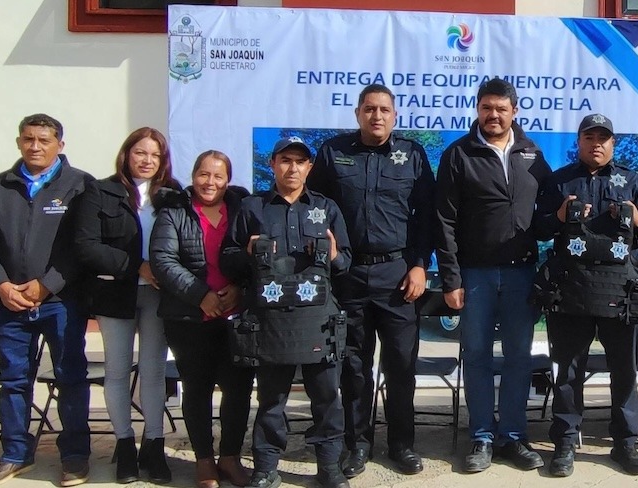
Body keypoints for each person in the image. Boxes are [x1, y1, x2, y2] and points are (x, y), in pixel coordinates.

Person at [307, 83, 435, 476]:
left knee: (401, 366)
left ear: (394, 116)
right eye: (369, 109)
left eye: (383, 110)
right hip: (348, 274)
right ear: (358, 114)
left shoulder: (412, 155)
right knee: (354, 367)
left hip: (398, 275)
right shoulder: (333, 152)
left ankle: (402, 445)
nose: (376, 116)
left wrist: (419, 265)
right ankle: (357, 445)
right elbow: (315, 208)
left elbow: (428, 216)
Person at [0, 114, 94, 487]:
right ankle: (14, 454)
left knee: (71, 377)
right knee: (13, 380)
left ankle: (74, 456)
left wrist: (47, 285)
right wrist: (1, 285)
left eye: (44, 140)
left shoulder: (80, 185)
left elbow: (82, 244)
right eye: (28, 139)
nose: (35, 146)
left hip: (61, 302)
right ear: (19, 142)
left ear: (60, 145)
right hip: (8, 301)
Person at [220, 137, 352, 488]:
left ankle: (329, 467)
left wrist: (335, 255)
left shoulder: (326, 208)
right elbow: (227, 260)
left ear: (309, 167)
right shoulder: (252, 208)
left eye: (299, 161)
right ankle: (266, 468)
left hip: (318, 321)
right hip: (271, 324)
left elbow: (346, 263)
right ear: (273, 164)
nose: (292, 168)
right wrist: (247, 253)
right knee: (271, 400)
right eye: (285, 160)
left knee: (327, 398)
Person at [436, 78, 551, 473]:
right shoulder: (458, 154)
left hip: (521, 274)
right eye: (487, 108)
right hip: (475, 275)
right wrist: (451, 279)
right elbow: (444, 221)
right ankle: (482, 436)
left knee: (519, 356)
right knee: (477, 356)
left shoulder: (532, 155)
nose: (494, 115)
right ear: (477, 110)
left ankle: (514, 436)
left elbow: (549, 209)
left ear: (514, 111)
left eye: (501, 109)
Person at [534, 113, 638, 477]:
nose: (596, 143)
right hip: (571, 290)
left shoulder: (632, 180)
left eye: (603, 138)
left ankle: (625, 444)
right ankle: (566, 442)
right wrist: (559, 215)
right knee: (568, 371)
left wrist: (637, 220)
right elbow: (538, 229)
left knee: (624, 370)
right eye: (590, 137)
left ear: (613, 143)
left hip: (621, 291)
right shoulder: (559, 180)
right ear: (580, 141)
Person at [72, 127, 180, 484]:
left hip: (158, 296)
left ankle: (154, 443)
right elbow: (87, 245)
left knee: (153, 372)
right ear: (126, 154)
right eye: (140, 153)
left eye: (155, 155)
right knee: (117, 372)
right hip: (114, 293)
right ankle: (125, 445)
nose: (147, 160)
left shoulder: (173, 193)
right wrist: (136, 266)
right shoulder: (99, 191)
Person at [149, 150, 255, 488]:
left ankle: (230, 457)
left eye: (218, 176)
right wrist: (201, 296)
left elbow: (256, 256)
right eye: (203, 174)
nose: (210, 182)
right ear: (193, 176)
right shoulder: (174, 212)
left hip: (236, 316)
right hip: (189, 318)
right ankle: (204, 461)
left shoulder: (242, 210)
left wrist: (239, 289)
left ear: (228, 180)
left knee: (238, 390)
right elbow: (163, 260)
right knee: (197, 390)